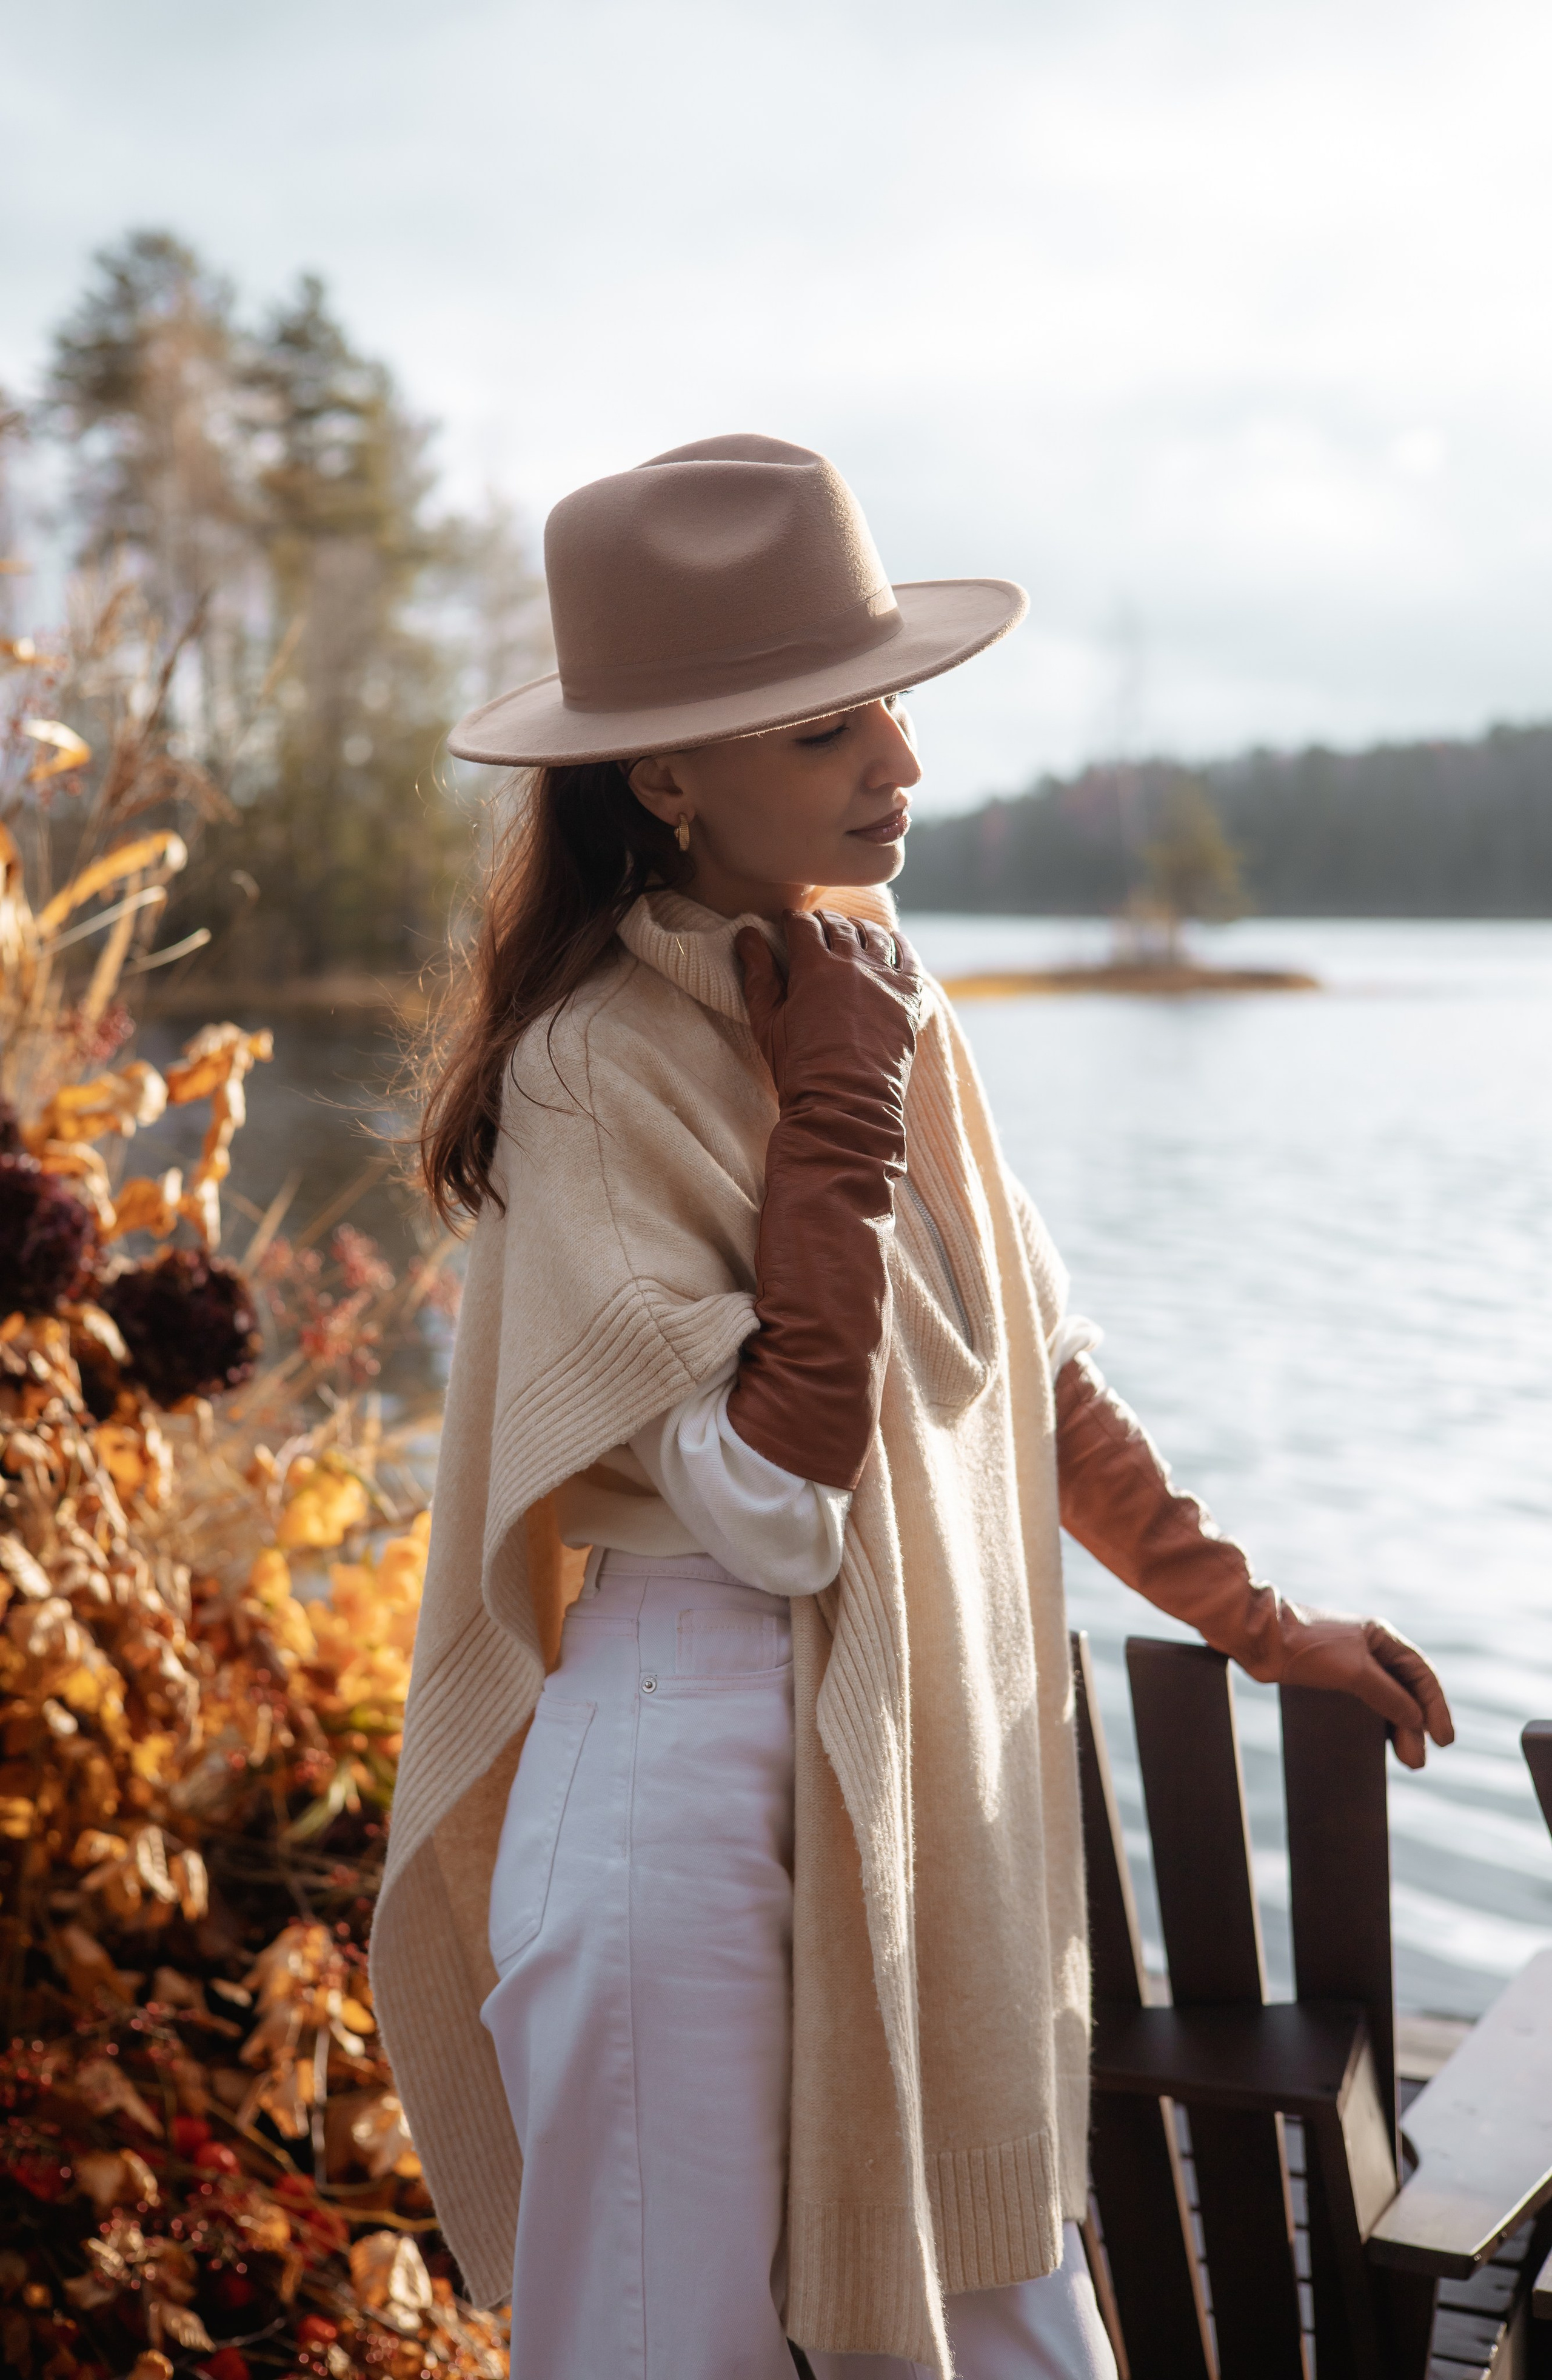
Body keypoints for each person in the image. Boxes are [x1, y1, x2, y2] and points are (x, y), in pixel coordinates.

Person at [370, 435, 1453, 2380]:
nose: (903, 763)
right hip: (685, 1783)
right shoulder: (596, 1071)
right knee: (666, 2353)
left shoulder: (881, 991)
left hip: (918, 1771)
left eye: (891, 705)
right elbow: (774, 1510)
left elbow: (1027, 1370)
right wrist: (837, 1114)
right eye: (828, 729)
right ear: (666, 777)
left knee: (1011, 2326)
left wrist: (1258, 1621)